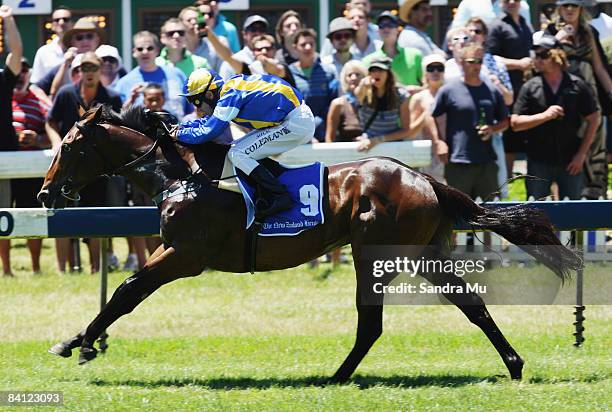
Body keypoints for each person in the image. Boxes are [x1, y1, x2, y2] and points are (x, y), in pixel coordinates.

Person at [174, 68, 315, 218]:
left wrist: (179, 134)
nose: (196, 108)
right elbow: (208, 122)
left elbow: (209, 131)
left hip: (296, 122)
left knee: (237, 153)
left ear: (208, 95)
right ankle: (266, 191)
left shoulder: (230, 95)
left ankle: (280, 195)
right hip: (294, 118)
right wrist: (181, 129)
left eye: (196, 101)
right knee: (236, 149)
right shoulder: (229, 90)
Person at [45, 52, 123, 273]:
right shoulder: (65, 93)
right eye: (85, 68)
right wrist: (56, 143)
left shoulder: (112, 97)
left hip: (96, 168)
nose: (89, 73)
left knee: (95, 214)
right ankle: (62, 270)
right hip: (66, 166)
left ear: (101, 70)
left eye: (93, 68)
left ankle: (96, 268)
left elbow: (120, 130)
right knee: (60, 213)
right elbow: (50, 122)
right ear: (78, 71)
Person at [511, 34, 600, 200]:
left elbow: (594, 118)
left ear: (557, 56)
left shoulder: (576, 84)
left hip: (570, 159)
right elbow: (515, 123)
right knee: (537, 211)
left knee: (572, 212)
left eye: (543, 55)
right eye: (535, 55)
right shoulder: (530, 87)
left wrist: (581, 154)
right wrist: (544, 116)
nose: (537, 60)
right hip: (538, 159)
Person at [545, 0, 612, 199]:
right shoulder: (549, 31)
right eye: (565, 6)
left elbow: (599, 67)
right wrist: (558, 40)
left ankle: (595, 196)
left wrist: (610, 91)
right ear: (559, 8)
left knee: (595, 145)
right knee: (569, 145)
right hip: (565, 96)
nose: (570, 10)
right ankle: (567, 199)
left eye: (574, 6)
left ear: (581, 9)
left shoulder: (588, 31)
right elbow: (542, 61)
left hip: (590, 94)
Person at [433, 43, 509, 200]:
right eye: (472, 61)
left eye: (479, 61)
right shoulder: (449, 90)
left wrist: (492, 129)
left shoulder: (492, 90)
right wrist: (439, 142)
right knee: (456, 215)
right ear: (461, 62)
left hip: (486, 161)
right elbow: (433, 116)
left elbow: (505, 121)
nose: (477, 66)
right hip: (458, 160)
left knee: (493, 213)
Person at [9, 58, 52, 275]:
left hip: (32, 167)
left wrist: (37, 139)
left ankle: (36, 267)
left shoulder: (38, 100)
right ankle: (5, 269)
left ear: (29, 74)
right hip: (4, 168)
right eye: (18, 69)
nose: (20, 74)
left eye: (25, 69)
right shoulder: (3, 95)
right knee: (3, 215)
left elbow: (53, 129)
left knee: (32, 215)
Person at [486, 0, 533, 180]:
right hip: (506, 90)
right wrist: (518, 64)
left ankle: (527, 180)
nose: (511, 2)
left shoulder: (525, 24)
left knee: (525, 135)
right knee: (509, 139)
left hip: (525, 88)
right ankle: (506, 183)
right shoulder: (497, 26)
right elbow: (489, 57)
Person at [116, 31, 190, 120]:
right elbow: (119, 117)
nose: (145, 52)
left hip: (177, 130)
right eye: (140, 49)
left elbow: (190, 109)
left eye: (150, 48)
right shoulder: (124, 83)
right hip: (141, 132)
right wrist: (132, 99)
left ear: (157, 50)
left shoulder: (177, 74)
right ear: (134, 52)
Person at [0, 5, 23, 277]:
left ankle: (6, 269)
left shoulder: (4, 78)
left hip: (5, 154)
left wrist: (9, 20)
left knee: (4, 212)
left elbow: (16, 52)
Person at [354, 57, 417, 152]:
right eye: (373, 70)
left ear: (388, 74)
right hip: (366, 143)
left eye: (380, 70)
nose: (376, 73)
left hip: (392, 145)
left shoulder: (401, 95)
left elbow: (406, 130)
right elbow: (358, 95)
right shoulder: (365, 91)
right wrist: (363, 85)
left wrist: (379, 140)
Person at [36, 17, 105, 98]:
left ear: (97, 40)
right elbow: (35, 89)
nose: (85, 41)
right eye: (79, 37)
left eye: (89, 36)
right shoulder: (64, 66)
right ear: (72, 42)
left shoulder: (109, 62)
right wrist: (48, 105)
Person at [409, 54, 449, 182]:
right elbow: (411, 132)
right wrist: (426, 114)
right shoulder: (418, 98)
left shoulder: (452, 94)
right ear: (425, 72)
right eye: (431, 68)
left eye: (439, 68)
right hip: (428, 155)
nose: (435, 72)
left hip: (451, 152)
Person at [364, 11, 423, 90]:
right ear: (378, 30)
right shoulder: (368, 60)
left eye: (390, 25)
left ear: (397, 29)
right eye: (382, 25)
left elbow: (428, 86)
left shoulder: (415, 55)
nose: (386, 28)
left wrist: (415, 89)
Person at [325, 60, 367, 143]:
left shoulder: (373, 101)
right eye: (349, 75)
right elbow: (329, 139)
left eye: (357, 74)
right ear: (345, 79)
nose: (353, 78)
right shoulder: (338, 104)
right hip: (346, 153)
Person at [30, 6, 73, 84]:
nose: (61, 22)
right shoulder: (43, 52)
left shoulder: (82, 49)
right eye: (57, 20)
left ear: (72, 24)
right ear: (52, 25)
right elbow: (36, 84)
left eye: (66, 19)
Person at [218, 15, 269, 80]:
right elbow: (223, 87)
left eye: (262, 30)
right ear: (244, 34)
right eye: (253, 29)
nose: (257, 33)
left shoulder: (272, 59)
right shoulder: (234, 60)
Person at [179, 6, 224, 73]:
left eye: (196, 19)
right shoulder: (177, 48)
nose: (194, 22)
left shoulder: (213, 46)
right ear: (181, 24)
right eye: (189, 20)